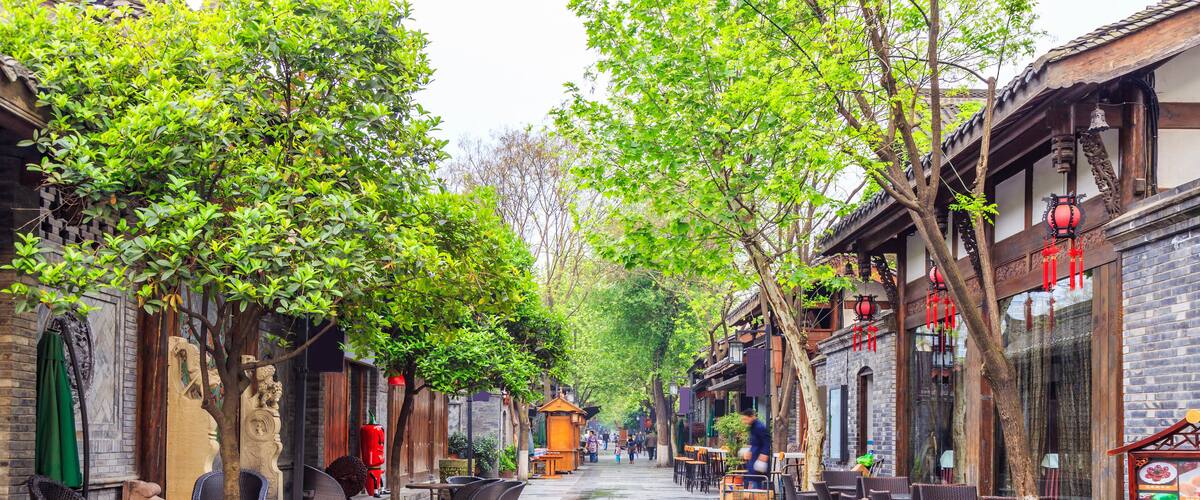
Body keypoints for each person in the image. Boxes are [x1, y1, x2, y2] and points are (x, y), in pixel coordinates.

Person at [740, 408, 772, 490]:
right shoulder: (752, 427)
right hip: (754, 457)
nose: (744, 422)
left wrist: (764, 455)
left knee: (758, 482)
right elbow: (754, 442)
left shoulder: (760, 427)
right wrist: (748, 450)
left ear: (752, 417)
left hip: (759, 458)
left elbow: (766, 442)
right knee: (753, 480)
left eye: (745, 419)